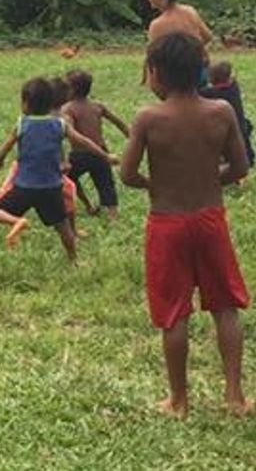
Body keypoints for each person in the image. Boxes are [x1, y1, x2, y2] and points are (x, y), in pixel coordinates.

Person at [120, 33, 251, 418]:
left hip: (167, 223)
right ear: (199, 70)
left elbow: (128, 174)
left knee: (174, 312)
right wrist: (212, 180)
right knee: (225, 306)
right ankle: (235, 396)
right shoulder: (222, 112)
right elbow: (241, 167)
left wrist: (153, 184)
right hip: (210, 218)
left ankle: (178, 399)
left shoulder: (148, 117)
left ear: (156, 73)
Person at [0, 77, 114, 262]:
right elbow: (84, 142)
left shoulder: (22, 124)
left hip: (24, 186)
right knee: (64, 228)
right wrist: (105, 156)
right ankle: (74, 260)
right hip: (51, 188)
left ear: (25, 103)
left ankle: (17, 221)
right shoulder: (60, 125)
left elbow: (5, 148)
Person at [62, 69, 129, 219]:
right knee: (106, 183)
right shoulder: (97, 106)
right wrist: (130, 136)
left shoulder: (68, 109)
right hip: (101, 151)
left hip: (80, 153)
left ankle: (88, 205)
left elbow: (71, 132)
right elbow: (119, 122)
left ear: (72, 89)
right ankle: (113, 214)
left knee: (68, 178)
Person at [147, 0, 213, 87]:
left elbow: (152, 58)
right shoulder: (190, 11)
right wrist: (193, 51)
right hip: (201, 68)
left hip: (176, 75)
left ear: (164, 0)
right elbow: (207, 36)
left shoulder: (157, 25)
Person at [201, 61, 255, 165]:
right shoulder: (234, 87)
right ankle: (248, 159)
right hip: (241, 125)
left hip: (230, 130)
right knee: (244, 143)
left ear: (212, 79)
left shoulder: (213, 92)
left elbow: (199, 93)